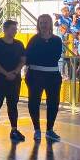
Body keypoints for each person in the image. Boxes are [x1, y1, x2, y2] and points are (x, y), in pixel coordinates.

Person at [25, 14, 63, 142]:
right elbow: (28, 57)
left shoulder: (57, 40)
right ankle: (37, 129)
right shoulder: (33, 40)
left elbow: (55, 56)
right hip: (35, 76)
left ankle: (49, 130)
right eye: (41, 22)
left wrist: (39, 57)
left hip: (53, 77)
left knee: (53, 103)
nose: (43, 25)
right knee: (33, 102)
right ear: (38, 24)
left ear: (50, 24)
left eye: (46, 22)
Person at [0, 20, 26, 142]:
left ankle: (14, 130)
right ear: (5, 30)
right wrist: (5, 73)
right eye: (12, 29)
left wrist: (15, 72)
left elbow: (23, 60)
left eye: (15, 29)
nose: (15, 31)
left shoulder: (19, 44)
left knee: (13, 104)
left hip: (14, 79)